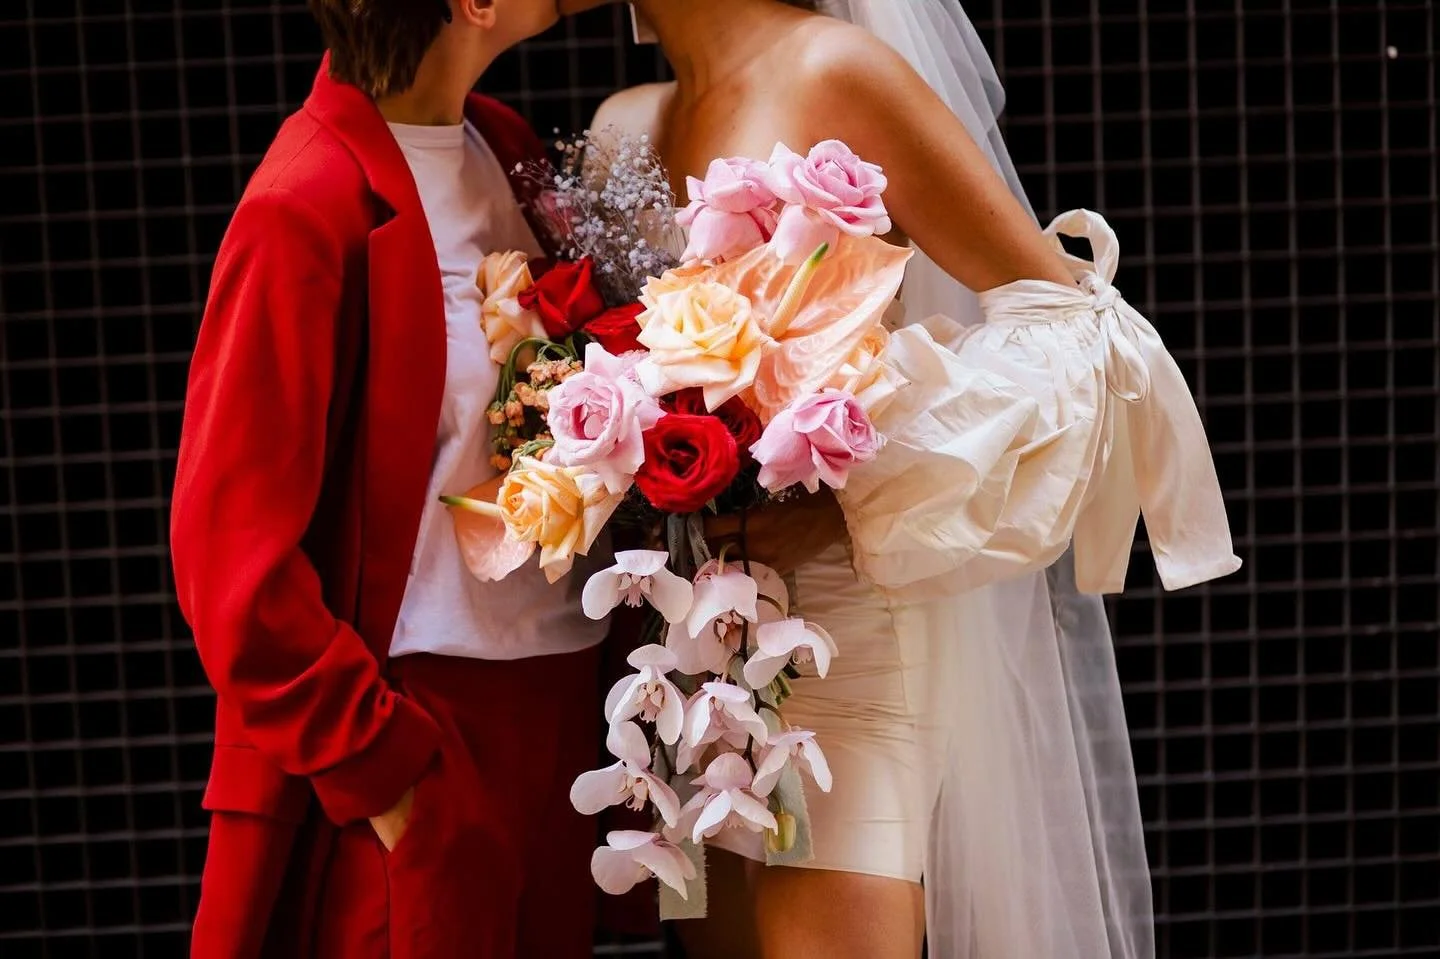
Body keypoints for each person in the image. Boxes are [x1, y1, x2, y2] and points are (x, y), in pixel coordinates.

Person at [557, 1, 1239, 957]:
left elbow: (1071, 322)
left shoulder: (838, 69)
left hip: (851, 636)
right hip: (691, 656)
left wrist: (850, 470)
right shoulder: (617, 127)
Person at [170, 2, 610, 957]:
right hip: (417, 726)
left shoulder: (502, 143)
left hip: (555, 721)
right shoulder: (304, 201)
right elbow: (229, 562)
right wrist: (388, 769)